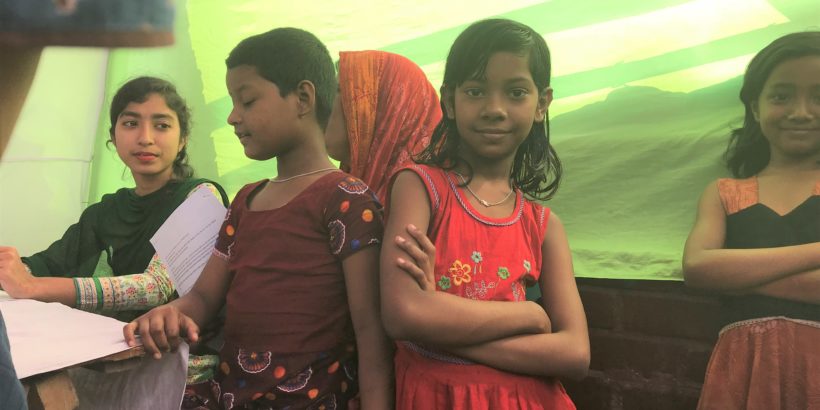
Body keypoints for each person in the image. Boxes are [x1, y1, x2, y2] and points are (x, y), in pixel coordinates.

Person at [124, 28, 393, 409]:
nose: (233, 117)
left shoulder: (346, 199)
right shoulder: (246, 200)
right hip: (231, 397)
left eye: (247, 101)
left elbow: (371, 335)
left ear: (303, 98)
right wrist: (168, 313)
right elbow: (202, 297)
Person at [380, 18, 589, 409]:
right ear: (449, 101)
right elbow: (403, 314)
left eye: (515, 92)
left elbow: (575, 354)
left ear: (542, 104)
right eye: (475, 91)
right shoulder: (421, 188)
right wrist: (529, 315)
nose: (494, 109)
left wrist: (439, 325)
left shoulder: (543, 225)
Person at [0, 76, 228, 324]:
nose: (145, 138)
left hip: (178, 354)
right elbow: (50, 264)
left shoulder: (201, 197)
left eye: (161, 125)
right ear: (113, 136)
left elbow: (154, 288)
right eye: (131, 123)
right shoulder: (103, 212)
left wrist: (34, 286)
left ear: (183, 138)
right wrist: (11, 269)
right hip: (105, 345)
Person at [682, 31, 820, 409]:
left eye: (818, 96)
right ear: (756, 108)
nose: (801, 111)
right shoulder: (725, 192)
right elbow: (698, 267)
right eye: (781, 96)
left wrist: (737, 278)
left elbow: (715, 272)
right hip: (744, 370)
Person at [325, 49, 442, 202]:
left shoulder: (419, 198)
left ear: (386, 111)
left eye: (340, 91)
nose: (323, 104)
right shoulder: (350, 191)